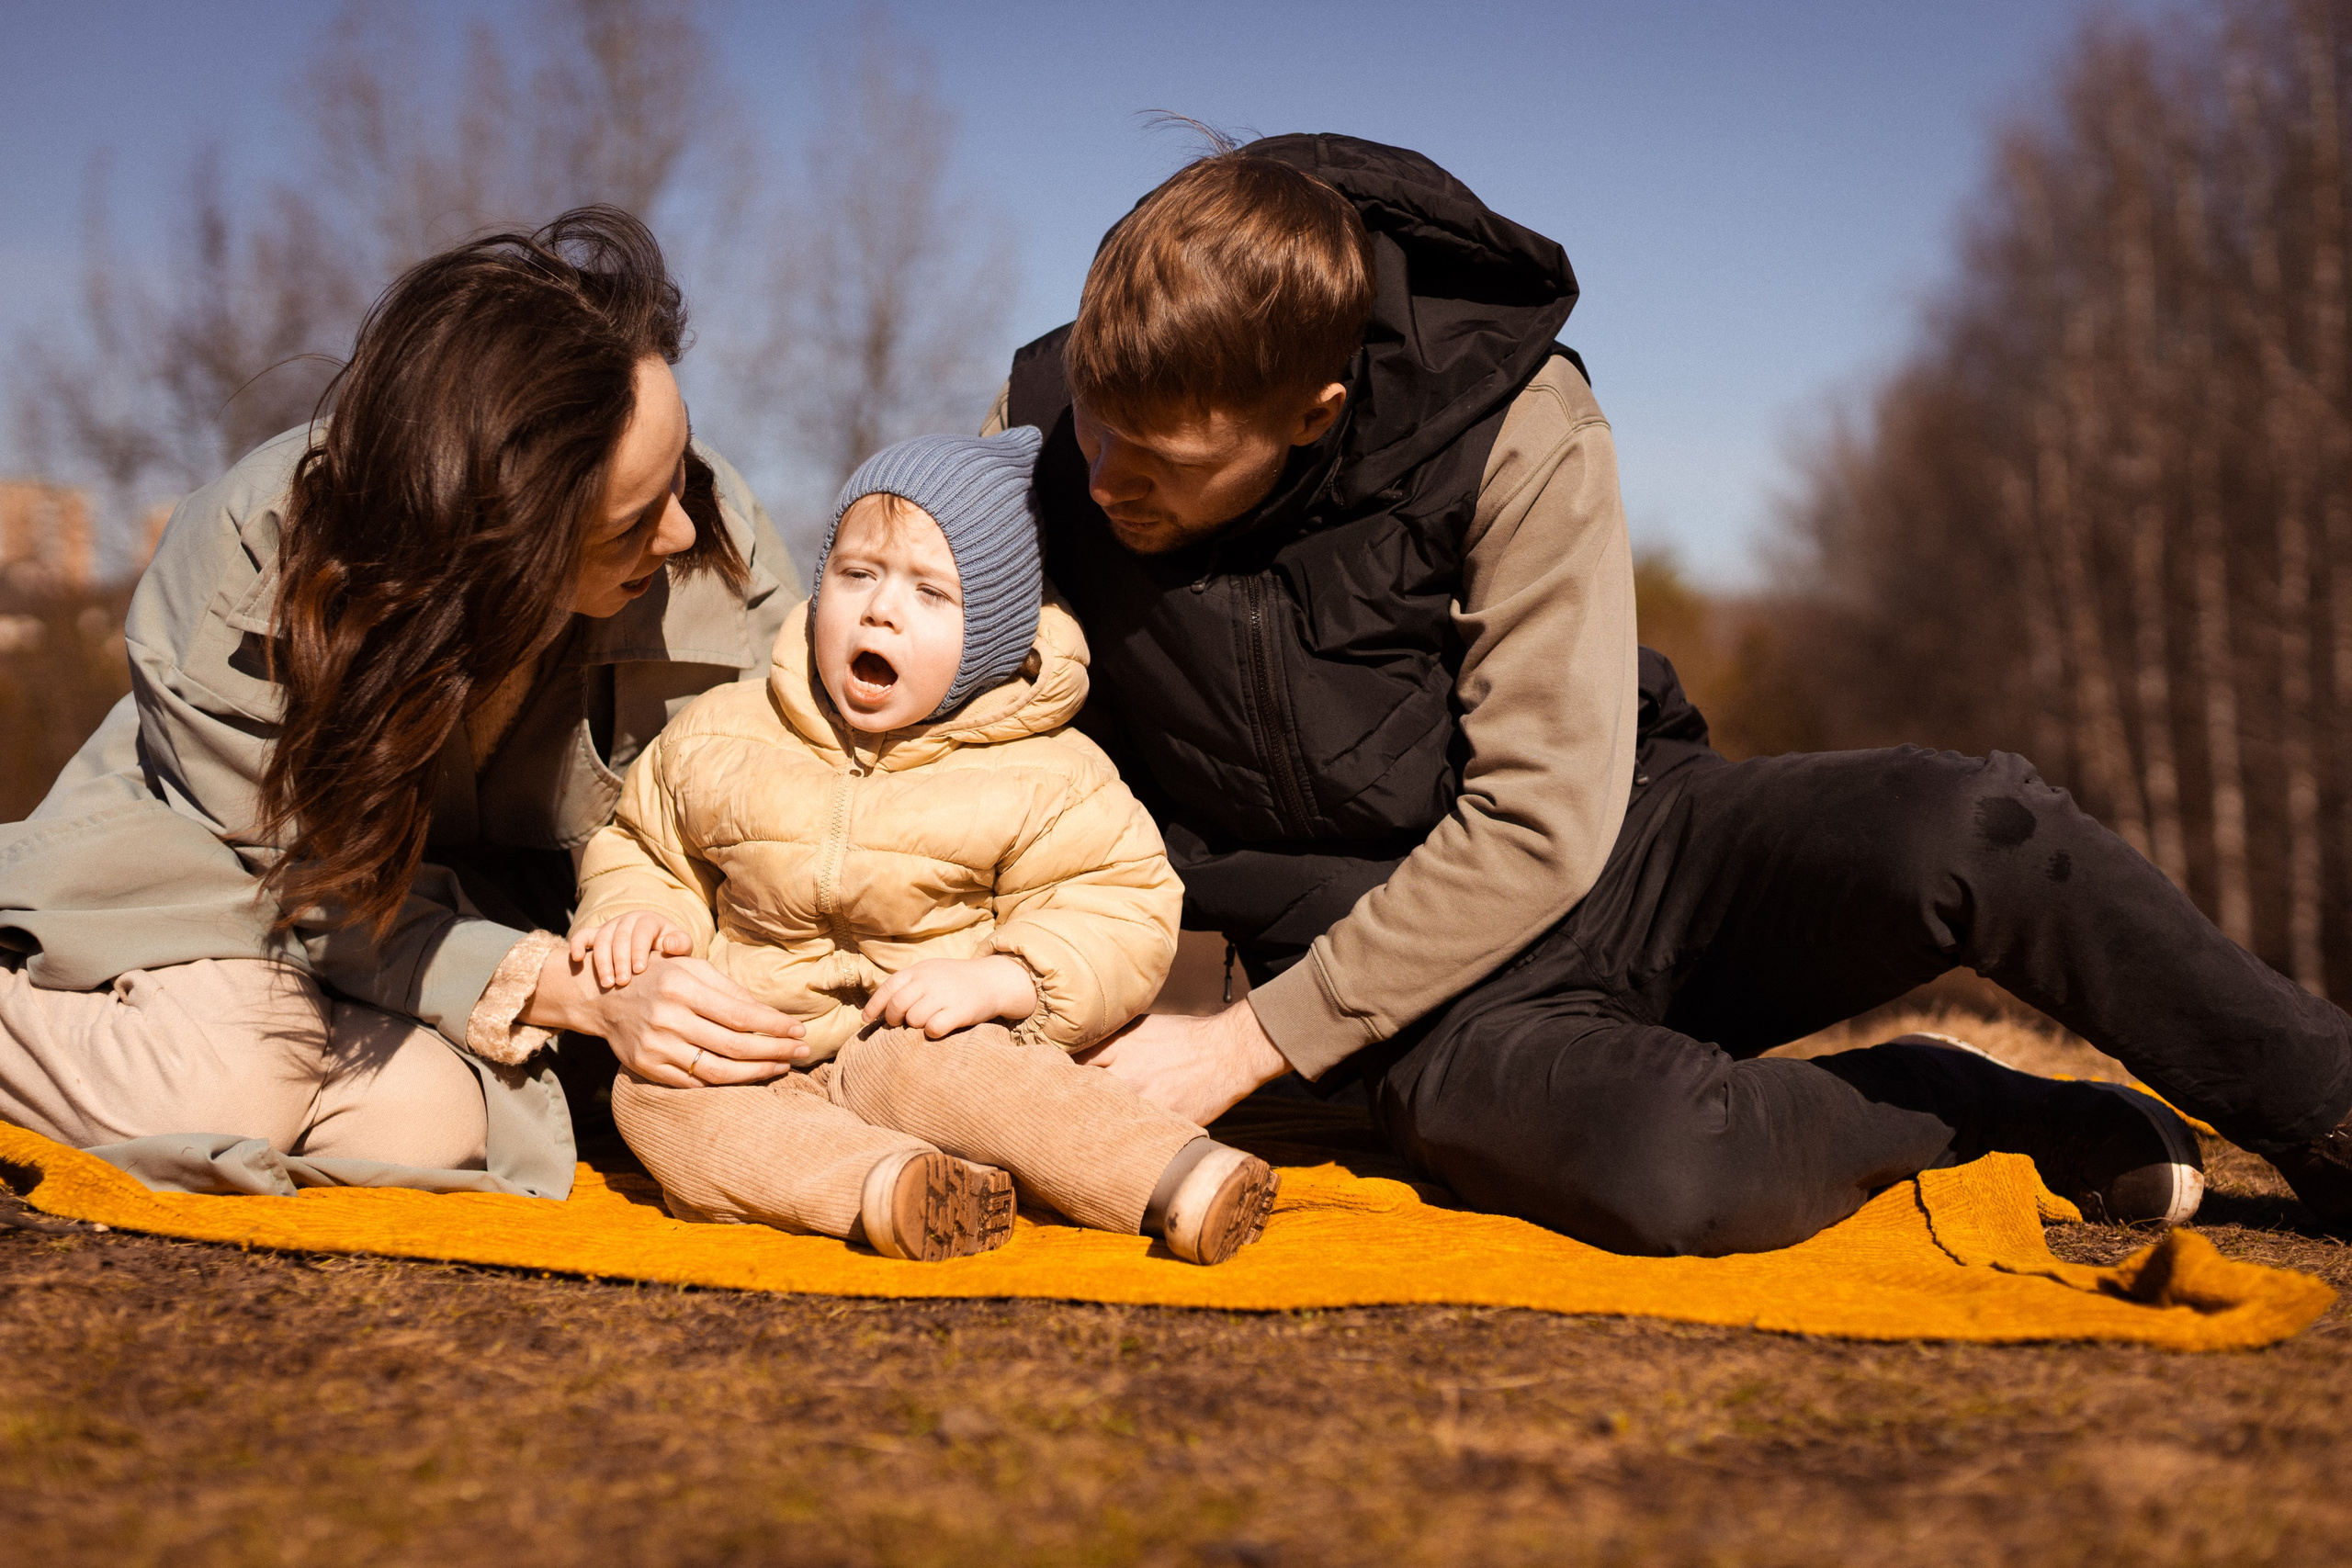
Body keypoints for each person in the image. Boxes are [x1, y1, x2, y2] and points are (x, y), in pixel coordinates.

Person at [984, 132, 2352, 1256]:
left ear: (1315, 412)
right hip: (1395, 986)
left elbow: (1542, 817)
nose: (1105, 481)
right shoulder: (1036, 439)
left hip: (1629, 845)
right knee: (1669, 1170)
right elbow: (941, 722)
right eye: (1099, 425)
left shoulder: (1515, 422)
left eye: (1166, 460)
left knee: (1975, 824)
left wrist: (1242, 1047)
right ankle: (1971, 1110)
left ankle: (2328, 1113)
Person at [0, 209, 813, 1199]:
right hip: (218, 895)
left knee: (434, 1123)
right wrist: (574, 993)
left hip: (453, 951)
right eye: (632, 524)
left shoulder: (705, 534)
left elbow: (789, 814)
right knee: (236, 1082)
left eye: (681, 469)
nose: (684, 532)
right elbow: (307, 892)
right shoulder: (247, 571)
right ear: (499, 540)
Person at [567, 430, 1282, 1264]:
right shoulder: (723, 732)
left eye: (931, 593)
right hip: (757, 1047)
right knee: (652, 1096)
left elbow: (1121, 903)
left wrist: (1008, 978)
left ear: (992, 638)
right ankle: (896, 1189)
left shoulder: (1045, 771)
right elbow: (649, 845)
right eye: (857, 574)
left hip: (929, 1043)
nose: (880, 609)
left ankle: (1174, 1174)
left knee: (974, 1079)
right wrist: (640, 917)